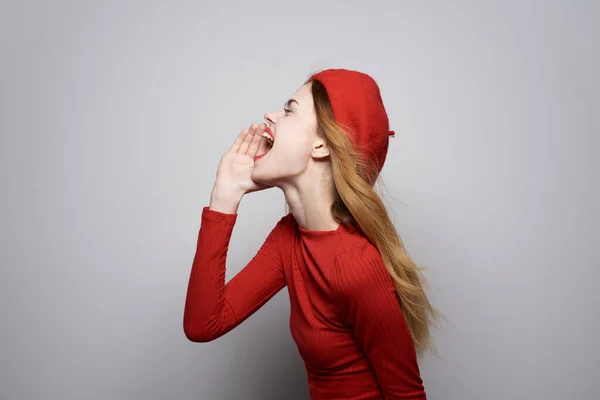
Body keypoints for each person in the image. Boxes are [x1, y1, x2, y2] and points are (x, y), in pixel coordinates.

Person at [184, 68, 437, 399]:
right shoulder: (289, 237)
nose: (270, 116)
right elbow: (204, 324)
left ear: (321, 145)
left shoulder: (355, 265)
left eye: (289, 110)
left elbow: (407, 395)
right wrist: (224, 197)